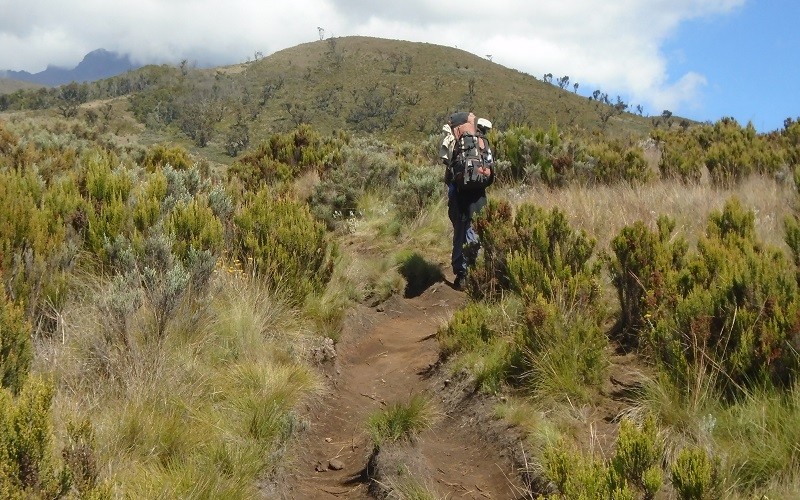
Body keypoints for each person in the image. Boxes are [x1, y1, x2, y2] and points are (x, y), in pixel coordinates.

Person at [443, 115, 495, 290]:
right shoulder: (482, 142)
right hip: (479, 197)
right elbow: (490, 171)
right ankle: (475, 270)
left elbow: (448, 169)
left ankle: (462, 276)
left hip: (459, 196)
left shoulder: (456, 142)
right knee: (474, 233)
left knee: (460, 232)